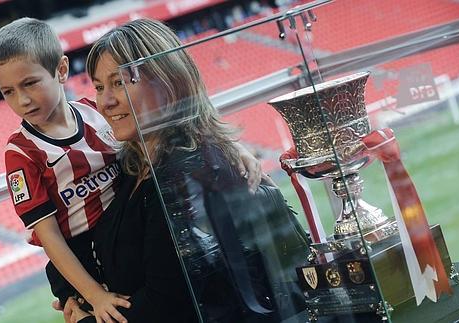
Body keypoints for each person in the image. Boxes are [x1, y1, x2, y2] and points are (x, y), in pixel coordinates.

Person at [0, 17, 266, 323]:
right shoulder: (21, 152)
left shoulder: (95, 115)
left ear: (62, 70)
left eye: (29, 83)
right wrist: (91, 294)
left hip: (121, 241)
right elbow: (48, 235)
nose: (22, 100)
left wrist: (230, 146)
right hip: (80, 252)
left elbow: (186, 123)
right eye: (8, 92)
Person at [57, 18, 309, 323]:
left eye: (120, 82)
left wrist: (84, 320)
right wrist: (73, 294)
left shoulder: (188, 174)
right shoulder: (127, 167)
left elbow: (167, 305)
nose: (106, 101)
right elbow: (83, 240)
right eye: (99, 87)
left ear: (168, 81)